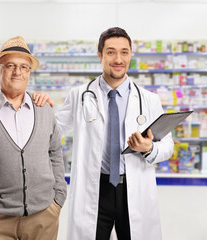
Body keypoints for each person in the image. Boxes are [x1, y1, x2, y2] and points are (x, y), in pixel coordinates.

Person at [34, 27, 174, 240]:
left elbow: (167, 147)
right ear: (100, 55)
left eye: (124, 52)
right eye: (111, 52)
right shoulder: (80, 95)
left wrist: (149, 148)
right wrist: (41, 109)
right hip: (95, 190)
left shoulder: (149, 99)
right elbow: (50, 132)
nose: (118, 59)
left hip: (133, 190)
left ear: (130, 55)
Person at [0, 36, 67, 240]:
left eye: (24, 67)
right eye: (10, 65)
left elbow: (55, 153)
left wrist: (58, 199)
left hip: (44, 215)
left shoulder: (43, 108)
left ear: (29, 72)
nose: (17, 72)